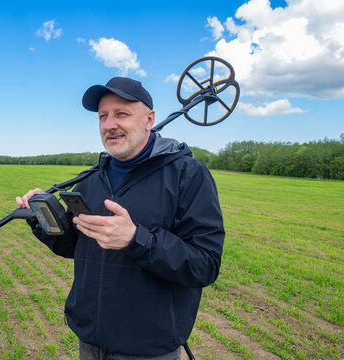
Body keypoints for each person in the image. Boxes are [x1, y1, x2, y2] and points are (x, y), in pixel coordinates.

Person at [16, 77, 224, 359]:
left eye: (121, 114)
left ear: (149, 119)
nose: (109, 124)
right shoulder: (91, 179)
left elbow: (205, 264)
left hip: (147, 349)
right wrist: (41, 219)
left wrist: (135, 238)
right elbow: (74, 246)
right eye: (103, 116)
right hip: (90, 342)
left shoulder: (188, 175)